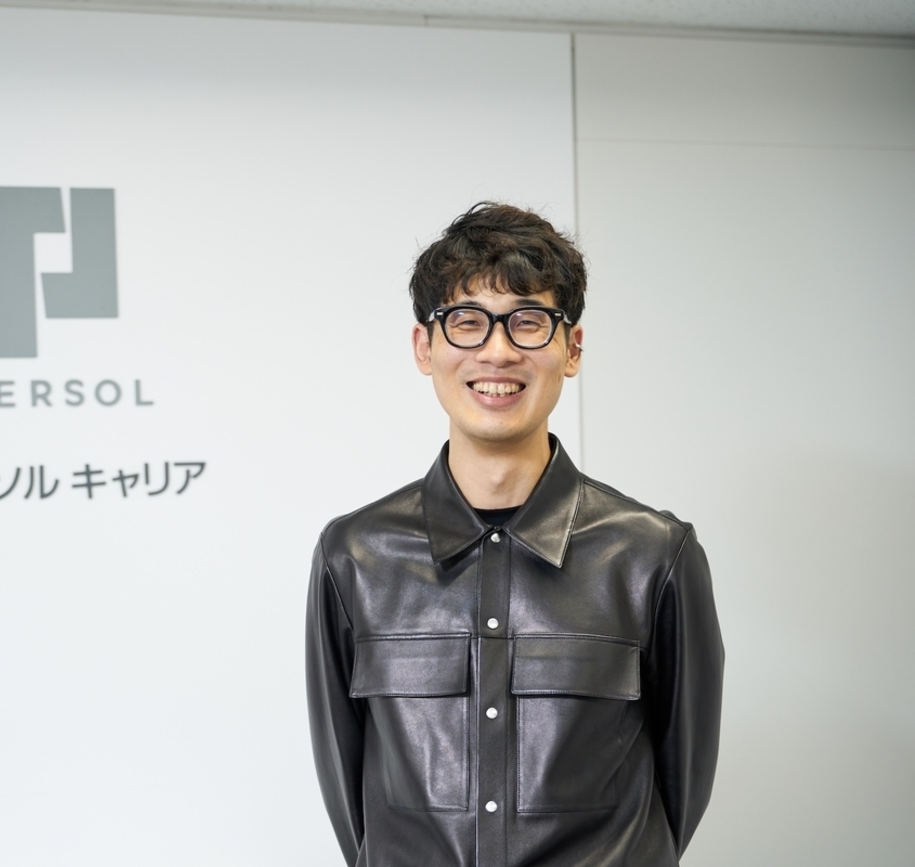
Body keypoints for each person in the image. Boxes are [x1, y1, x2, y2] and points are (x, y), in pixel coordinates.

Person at [305, 203, 723, 867]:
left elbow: (681, 791)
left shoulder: (653, 555)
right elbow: (351, 798)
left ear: (571, 348)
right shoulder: (354, 556)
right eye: (466, 321)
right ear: (425, 347)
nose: (497, 351)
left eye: (528, 321)